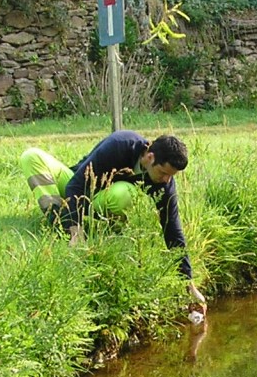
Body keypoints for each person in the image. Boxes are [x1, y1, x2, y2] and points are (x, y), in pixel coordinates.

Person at [19, 130, 207, 314]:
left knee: (124, 193)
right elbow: (75, 185)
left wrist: (188, 284)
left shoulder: (165, 184)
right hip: (78, 187)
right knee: (31, 156)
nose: (166, 180)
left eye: (171, 176)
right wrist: (76, 233)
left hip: (103, 203)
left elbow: (173, 230)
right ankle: (58, 221)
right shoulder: (119, 144)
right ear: (150, 157)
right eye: (163, 172)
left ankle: (99, 226)